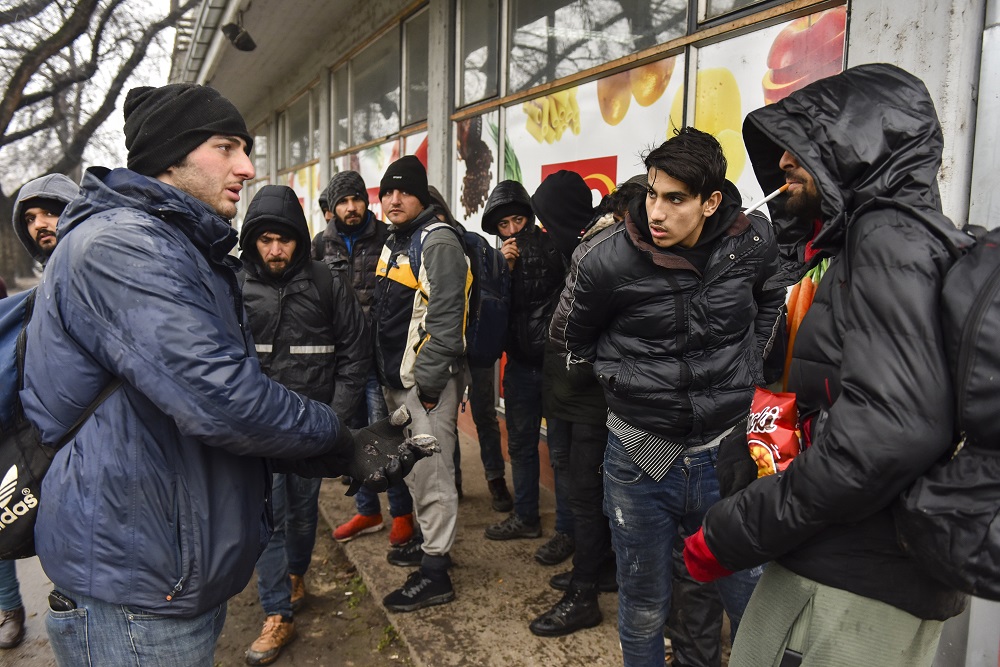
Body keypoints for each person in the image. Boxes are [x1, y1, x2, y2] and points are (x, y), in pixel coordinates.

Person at [20, 83, 430, 666]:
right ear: (170, 155)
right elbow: (221, 398)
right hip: (135, 591)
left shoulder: (175, 244)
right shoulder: (121, 247)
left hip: (164, 573)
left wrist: (330, 453)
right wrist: (337, 437)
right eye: (227, 147)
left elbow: (192, 415)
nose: (246, 166)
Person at [685, 63, 969, 667]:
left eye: (805, 143)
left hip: (852, 584)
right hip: (839, 562)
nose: (783, 161)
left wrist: (738, 528)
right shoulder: (867, 243)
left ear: (864, 145)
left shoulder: (889, 238)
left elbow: (888, 433)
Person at [558, 127, 784, 666]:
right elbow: (571, 335)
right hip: (641, 455)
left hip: (723, 454)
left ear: (710, 202)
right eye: (652, 193)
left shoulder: (751, 243)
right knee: (642, 606)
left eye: (675, 199)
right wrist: (625, 380)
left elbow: (772, 293)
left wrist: (749, 364)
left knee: (750, 599)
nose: (656, 211)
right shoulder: (605, 260)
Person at [238, 184, 369, 665]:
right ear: (253, 239)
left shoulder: (325, 282)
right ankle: (278, 614)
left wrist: (334, 420)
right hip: (259, 430)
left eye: (285, 240)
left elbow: (356, 353)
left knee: (302, 512)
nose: (275, 250)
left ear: (299, 239)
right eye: (266, 240)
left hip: (313, 427)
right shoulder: (235, 284)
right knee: (268, 519)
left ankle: (296, 574)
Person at [372, 155, 470, 612]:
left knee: (432, 476)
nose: (394, 199)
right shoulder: (398, 239)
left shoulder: (438, 242)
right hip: (400, 382)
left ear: (421, 196)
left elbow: (448, 322)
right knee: (414, 472)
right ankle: (432, 545)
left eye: (404, 191)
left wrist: (427, 387)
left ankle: (435, 573)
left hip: (423, 385)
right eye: (387, 191)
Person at [0, 172, 82, 650]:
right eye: (29, 218)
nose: (39, 224)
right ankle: (16, 606)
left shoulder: (100, 274)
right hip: (46, 451)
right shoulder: (43, 290)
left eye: (49, 210)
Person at [314, 170, 416, 548]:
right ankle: (367, 510)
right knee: (348, 440)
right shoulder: (319, 246)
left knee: (385, 439)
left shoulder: (389, 239)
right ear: (333, 207)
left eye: (356, 199)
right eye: (343, 201)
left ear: (366, 201)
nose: (351, 207)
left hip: (377, 362)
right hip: (341, 364)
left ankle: (402, 515)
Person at [481, 180, 572, 567]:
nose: (513, 230)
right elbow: (491, 310)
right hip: (518, 365)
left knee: (562, 454)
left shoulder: (555, 246)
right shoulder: (495, 260)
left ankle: (567, 531)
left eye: (518, 220)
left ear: (530, 218)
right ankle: (526, 516)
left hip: (556, 367)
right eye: (505, 225)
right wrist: (504, 270)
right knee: (520, 445)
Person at [426, 185, 513, 513]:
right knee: (446, 419)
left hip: (475, 345)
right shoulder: (420, 247)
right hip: (443, 348)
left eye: (437, 213)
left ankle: (495, 481)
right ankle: (455, 483)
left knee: (485, 415)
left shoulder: (472, 243)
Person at [12, 173, 79, 265]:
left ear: (76, 214)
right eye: (30, 219)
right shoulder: (54, 273)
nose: (38, 225)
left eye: (49, 213)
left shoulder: (98, 262)